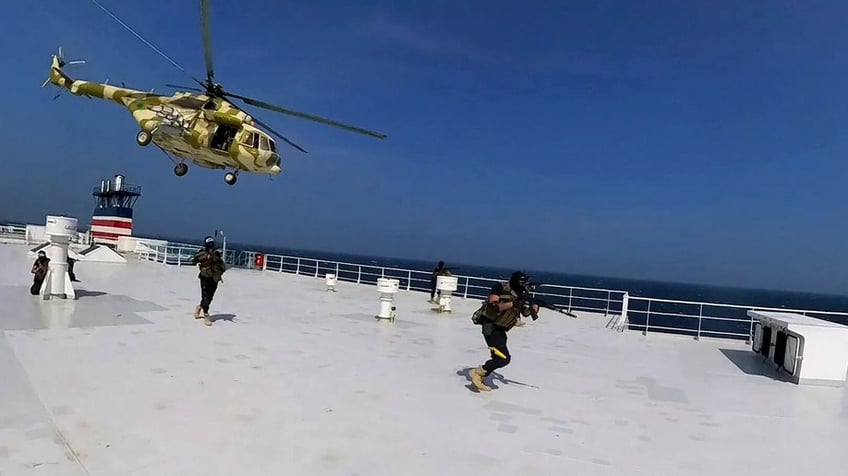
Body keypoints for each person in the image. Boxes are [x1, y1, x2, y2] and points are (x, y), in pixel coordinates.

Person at [469, 271, 539, 392]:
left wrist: (535, 307)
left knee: (497, 355)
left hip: (500, 328)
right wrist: (513, 303)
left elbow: (525, 313)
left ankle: (481, 376)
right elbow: (493, 307)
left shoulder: (519, 295)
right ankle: (477, 372)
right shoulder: (499, 287)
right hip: (490, 326)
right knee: (504, 358)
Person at [191, 236, 226, 326]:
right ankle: (206, 314)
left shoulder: (217, 254)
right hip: (204, 277)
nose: (211, 247)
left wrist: (214, 257)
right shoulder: (202, 253)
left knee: (210, 297)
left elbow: (220, 263)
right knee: (205, 295)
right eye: (209, 245)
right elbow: (193, 261)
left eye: (212, 245)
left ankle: (200, 307)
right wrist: (202, 258)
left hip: (214, 278)